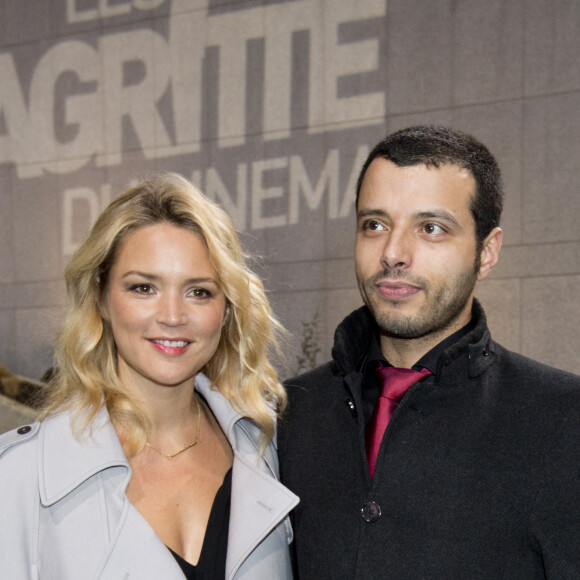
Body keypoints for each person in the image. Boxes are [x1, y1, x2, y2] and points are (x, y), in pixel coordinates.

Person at [279, 126, 580, 579]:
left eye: (431, 228)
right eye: (374, 225)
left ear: (487, 251)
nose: (393, 253)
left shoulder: (565, 421)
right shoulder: (285, 416)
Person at [0, 173, 298, 579]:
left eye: (199, 292)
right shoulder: (21, 477)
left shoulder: (266, 449)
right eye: (143, 288)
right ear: (101, 298)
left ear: (227, 310)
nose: (172, 316)